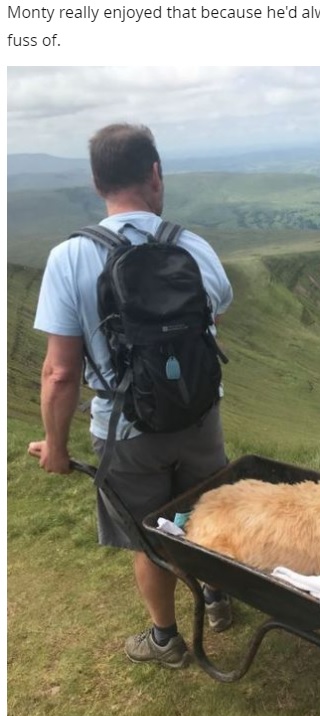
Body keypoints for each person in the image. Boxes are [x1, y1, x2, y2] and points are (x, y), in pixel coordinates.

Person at [28, 123, 233, 669]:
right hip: (198, 415)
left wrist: (54, 445)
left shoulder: (69, 258)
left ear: (98, 184)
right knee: (208, 511)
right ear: (155, 175)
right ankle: (216, 594)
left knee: (151, 536)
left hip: (125, 432)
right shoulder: (191, 246)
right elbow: (213, 316)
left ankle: (166, 639)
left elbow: (60, 373)